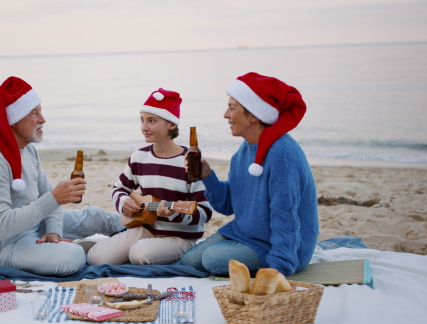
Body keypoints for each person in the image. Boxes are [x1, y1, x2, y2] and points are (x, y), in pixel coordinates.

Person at [0, 76, 125, 277]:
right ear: (13, 120)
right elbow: (1, 227)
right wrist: (54, 198)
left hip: (32, 227)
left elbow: (48, 199)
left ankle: (150, 227)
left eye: (41, 112)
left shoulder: (27, 150)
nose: (42, 120)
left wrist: (54, 232)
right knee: (71, 257)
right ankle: (82, 248)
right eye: (34, 113)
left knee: (96, 216)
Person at [181, 73, 319, 276]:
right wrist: (208, 175)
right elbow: (227, 206)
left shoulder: (283, 154)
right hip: (246, 235)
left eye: (232, 108)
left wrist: (279, 267)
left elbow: (285, 216)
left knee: (211, 258)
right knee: (189, 261)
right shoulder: (243, 153)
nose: (225, 115)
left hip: (283, 247)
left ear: (254, 114)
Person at [87, 88, 212, 265]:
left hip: (180, 238)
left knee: (139, 254)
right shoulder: (140, 156)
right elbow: (119, 188)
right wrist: (124, 203)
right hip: (146, 229)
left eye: (152, 121)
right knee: (96, 258)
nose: (144, 127)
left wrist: (174, 213)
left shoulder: (189, 162)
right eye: (142, 120)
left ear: (172, 124)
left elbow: (204, 212)